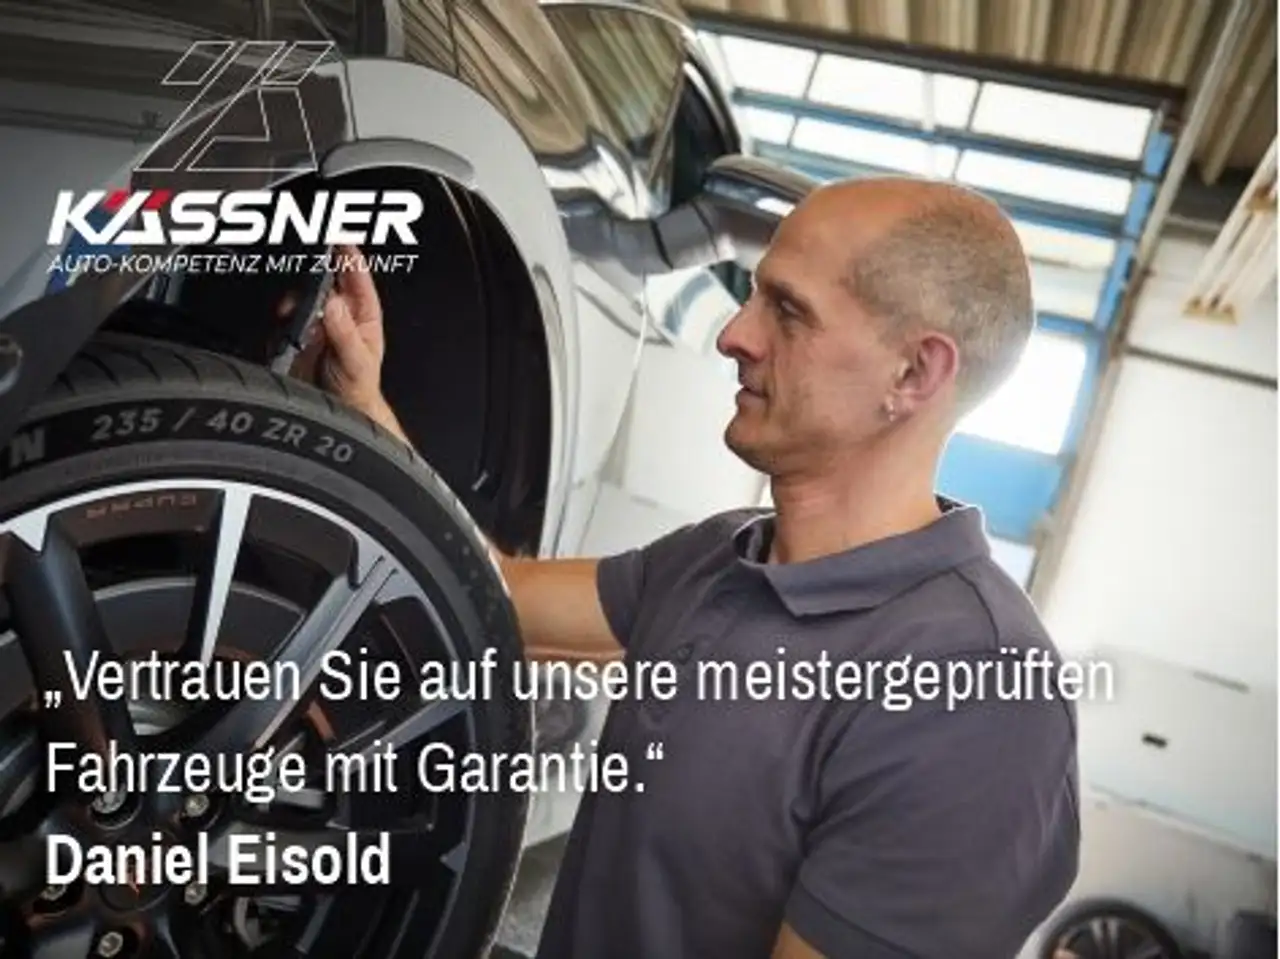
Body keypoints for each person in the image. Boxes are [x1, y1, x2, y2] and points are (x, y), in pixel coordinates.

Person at [304, 174, 1081, 959]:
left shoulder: (978, 697)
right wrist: (366, 409)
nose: (733, 334)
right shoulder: (721, 556)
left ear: (914, 374)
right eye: (753, 296)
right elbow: (493, 594)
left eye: (788, 310)